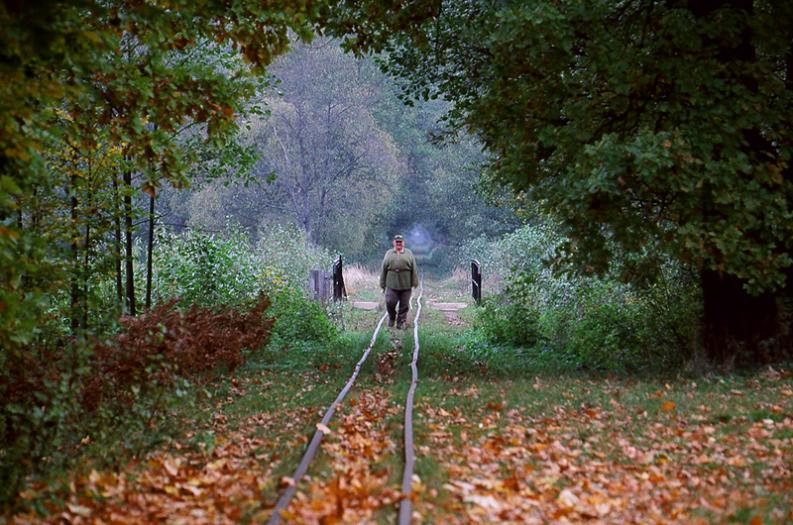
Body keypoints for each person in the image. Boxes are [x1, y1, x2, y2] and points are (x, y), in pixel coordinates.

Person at [380, 234, 419, 329]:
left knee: (404, 305)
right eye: (397, 242)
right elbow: (383, 269)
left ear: (403, 243)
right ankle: (392, 317)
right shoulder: (389, 253)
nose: (398, 244)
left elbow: (414, 268)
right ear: (394, 243)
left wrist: (415, 282)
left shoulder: (408, 253)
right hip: (391, 284)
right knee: (390, 301)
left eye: (400, 242)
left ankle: (401, 322)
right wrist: (382, 283)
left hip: (406, 284)